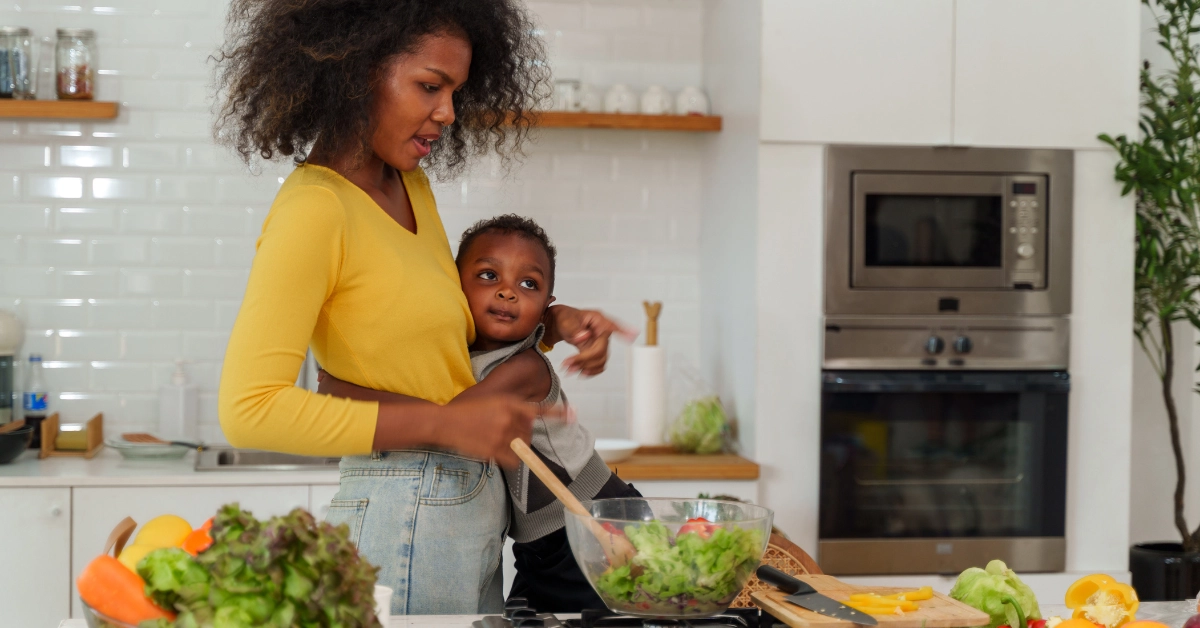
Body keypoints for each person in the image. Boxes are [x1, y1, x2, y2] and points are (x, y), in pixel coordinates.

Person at [214, 0, 625, 615]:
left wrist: (552, 322)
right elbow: (249, 411)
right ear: (352, 72)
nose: (447, 113)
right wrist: (441, 423)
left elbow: (439, 350)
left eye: (455, 90)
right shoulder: (315, 210)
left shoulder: (409, 185)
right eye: (430, 86)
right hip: (404, 504)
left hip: (467, 511)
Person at [318, 215, 642, 612]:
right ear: (454, 288)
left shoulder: (525, 368)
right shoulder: (464, 353)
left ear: (544, 307)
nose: (508, 292)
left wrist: (342, 390)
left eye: (529, 284)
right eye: (489, 275)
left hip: (592, 525)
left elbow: (452, 423)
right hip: (542, 541)